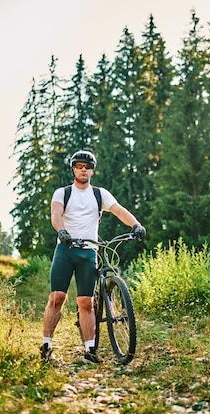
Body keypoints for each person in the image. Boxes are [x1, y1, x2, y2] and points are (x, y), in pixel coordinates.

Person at [39, 150, 146, 364]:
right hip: (66, 250)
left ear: (92, 171)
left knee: (85, 302)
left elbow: (119, 210)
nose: (83, 170)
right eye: (79, 166)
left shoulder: (100, 194)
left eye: (87, 167)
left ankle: (89, 350)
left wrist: (136, 224)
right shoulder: (63, 193)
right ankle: (46, 344)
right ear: (73, 169)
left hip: (89, 252)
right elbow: (56, 214)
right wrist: (62, 231)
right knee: (57, 297)